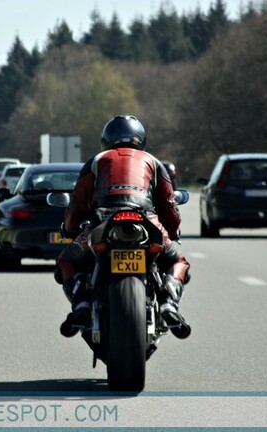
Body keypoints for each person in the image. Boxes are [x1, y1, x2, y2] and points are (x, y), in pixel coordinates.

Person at [54, 115, 191, 339]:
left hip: (103, 221)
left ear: (107, 139)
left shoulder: (96, 161)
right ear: (141, 139)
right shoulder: (154, 162)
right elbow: (168, 206)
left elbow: (78, 203)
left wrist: (70, 229)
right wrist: (173, 232)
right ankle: (169, 304)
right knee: (177, 261)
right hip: (146, 221)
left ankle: (81, 305)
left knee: (66, 259)